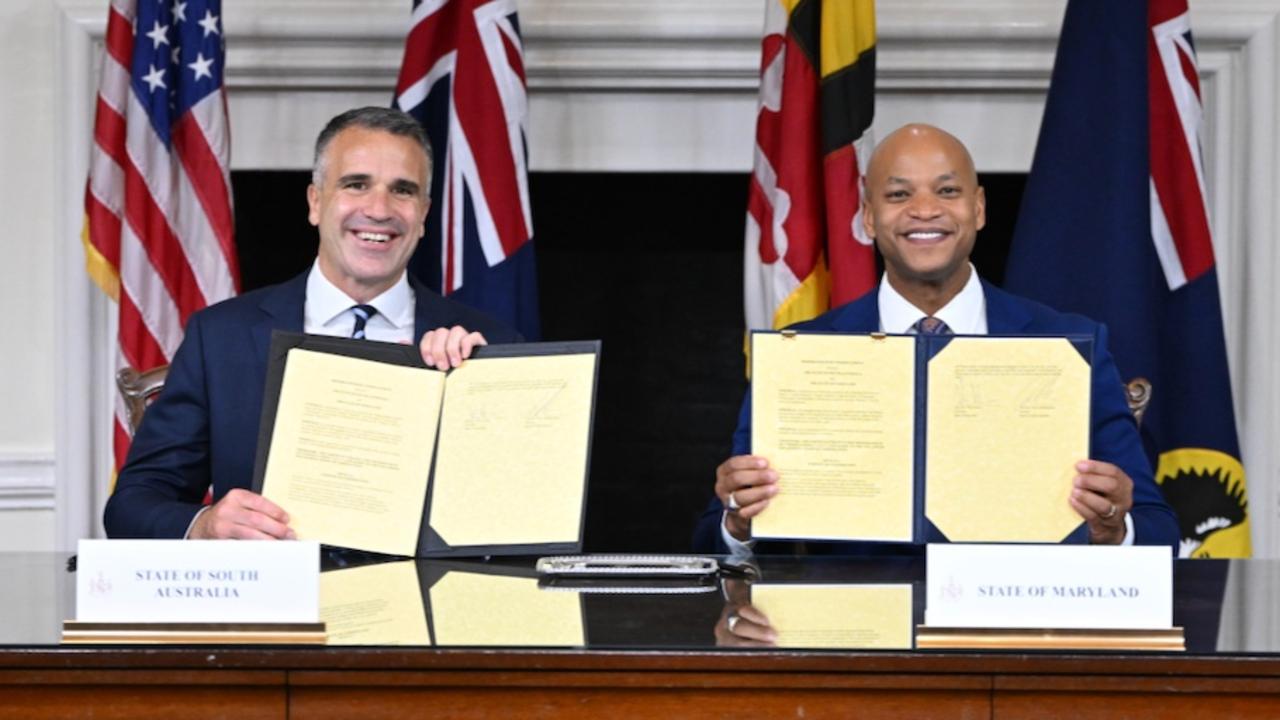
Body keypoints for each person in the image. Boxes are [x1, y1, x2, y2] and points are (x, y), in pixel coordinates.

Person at [694, 123, 1179, 554]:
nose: (925, 210)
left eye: (947, 191)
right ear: (867, 217)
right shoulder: (799, 353)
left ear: (979, 208)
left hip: (1014, 632)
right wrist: (738, 518)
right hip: (853, 635)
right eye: (899, 195)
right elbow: (712, 538)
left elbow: (1159, 531)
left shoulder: (1070, 343)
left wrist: (1113, 529)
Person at [104, 106, 521, 540]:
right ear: (316, 202)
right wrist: (204, 525)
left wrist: (476, 391)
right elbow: (134, 504)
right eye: (356, 184)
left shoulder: (486, 345)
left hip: (422, 602)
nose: (379, 209)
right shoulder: (221, 337)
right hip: (271, 601)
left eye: (402, 190)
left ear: (423, 214)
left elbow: (517, 515)